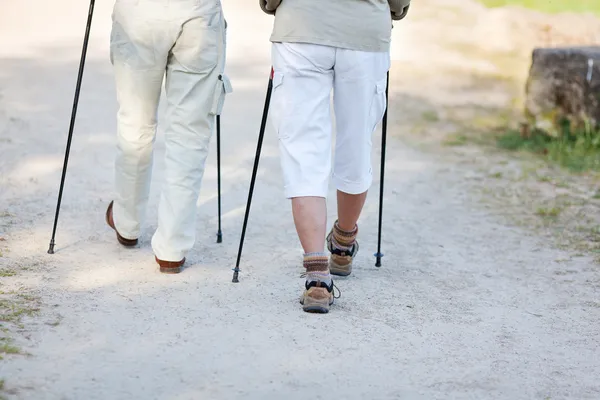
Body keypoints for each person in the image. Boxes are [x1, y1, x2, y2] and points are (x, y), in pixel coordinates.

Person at [259, 0, 411, 313]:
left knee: (303, 151)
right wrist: (395, 8)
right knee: (355, 144)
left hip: (300, 28)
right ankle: (343, 241)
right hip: (365, 33)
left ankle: (317, 276)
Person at [105, 0, 231, 273]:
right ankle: (172, 247)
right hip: (198, 14)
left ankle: (127, 223)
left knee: (134, 122)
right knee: (189, 135)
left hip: (138, 13)